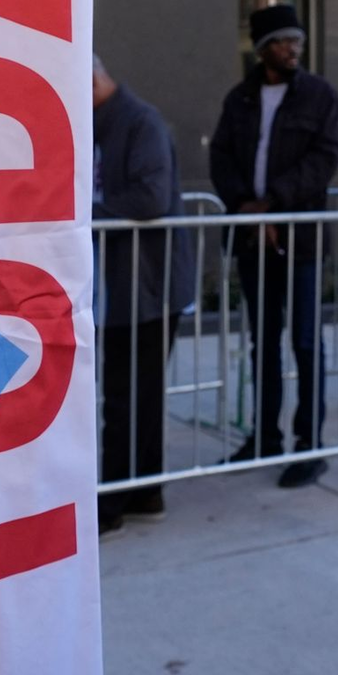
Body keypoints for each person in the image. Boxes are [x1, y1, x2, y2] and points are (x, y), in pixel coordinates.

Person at [209, 4, 338, 487]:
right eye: (284, 41)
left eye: (297, 41)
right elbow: (221, 156)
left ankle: (310, 446)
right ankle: (264, 436)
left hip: (299, 239)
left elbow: (323, 160)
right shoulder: (239, 99)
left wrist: (275, 205)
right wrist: (246, 206)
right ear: (262, 47)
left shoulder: (320, 96)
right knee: (262, 342)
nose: (293, 49)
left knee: (306, 342)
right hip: (252, 239)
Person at [92, 56, 195, 537]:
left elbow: (152, 199)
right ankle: (143, 491)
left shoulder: (140, 122)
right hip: (126, 283)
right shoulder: (107, 123)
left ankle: (116, 500)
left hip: (147, 284)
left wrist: (86, 214)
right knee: (132, 395)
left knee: (130, 397)